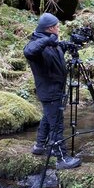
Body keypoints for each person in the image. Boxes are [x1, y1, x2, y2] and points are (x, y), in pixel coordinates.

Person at [23, 13, 81, 170]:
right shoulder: (36, 44)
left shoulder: (51, 43)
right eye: (56, 27)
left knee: (49, 118)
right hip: (50, 91)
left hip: (56, 89)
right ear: (49, 29)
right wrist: (50, 40)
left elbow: (55, 49)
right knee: (57, 124)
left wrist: (65, 46)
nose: (58, 29)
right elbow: (29, 51)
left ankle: (39, 146)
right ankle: (61, 159)